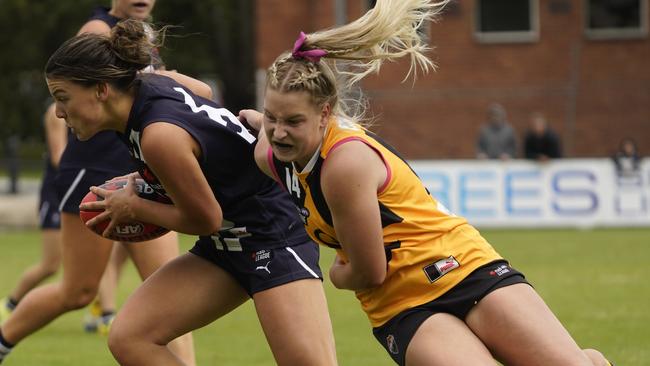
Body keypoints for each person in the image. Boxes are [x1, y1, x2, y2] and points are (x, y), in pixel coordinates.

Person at [239, 0, 614, 365]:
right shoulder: (270, 154)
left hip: (464, 268)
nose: (279, 132)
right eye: (273, 117)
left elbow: (368, 271)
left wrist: (337, 274)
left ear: (324, 115)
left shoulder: (344, 165)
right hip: (404, 307)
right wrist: (258, 120)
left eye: (293, 122)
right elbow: (265, 130)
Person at [41, 19, 337, 366]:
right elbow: (203, 92)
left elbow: (205, 217)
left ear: (101, 90)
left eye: (63, 98)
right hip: (226, 244)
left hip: (273, 236)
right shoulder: (149, 87)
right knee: (130, 337)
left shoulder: (158, 135)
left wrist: (134, 206)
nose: (59, 112)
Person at [0, 2, 204, 364]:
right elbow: (63, 103)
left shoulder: (144, 36)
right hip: (93, 172)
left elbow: (196, 91)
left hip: (142, 170)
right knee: (77, 291)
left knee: (170, 288)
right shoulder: (97, 30)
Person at [0, 103, 66, 325]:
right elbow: (59, 158)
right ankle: (9, 304)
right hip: (57, 194)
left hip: (82, 191)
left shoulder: (94, 107)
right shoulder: (56, 112)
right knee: (51, 265)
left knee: (101, 257)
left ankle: (103, 314)